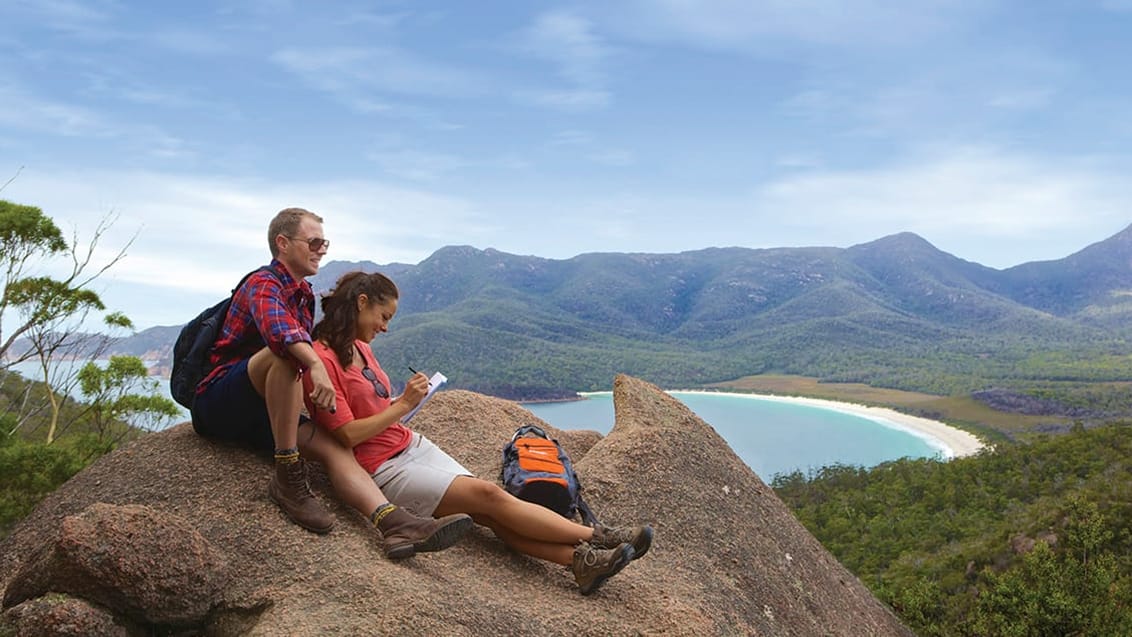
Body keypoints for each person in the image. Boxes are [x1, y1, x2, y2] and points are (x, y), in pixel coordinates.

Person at [304, 270, 656, 595]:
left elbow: (375, 406)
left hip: (410, 445)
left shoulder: (360, 348)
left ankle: (581, 564)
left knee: (487, 512)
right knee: (489, 496)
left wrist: (405, 400)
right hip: (382, 469)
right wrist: (402, 405)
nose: (385, 328)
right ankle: (599, 537)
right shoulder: (321, 362)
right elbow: (347, 435)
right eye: (384, 317)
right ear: (361, 303)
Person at [190, 207, 471, 559]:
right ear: (282, 243)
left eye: (325, 243)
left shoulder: (304, 295)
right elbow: (282, 336)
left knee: (336, 448)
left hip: (266, 412)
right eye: (314, 241)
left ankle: (393, 524)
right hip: (219, 401)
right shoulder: (262, 283)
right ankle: (288, 477)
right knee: (285, 354)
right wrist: (315, 366)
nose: (322, 249)